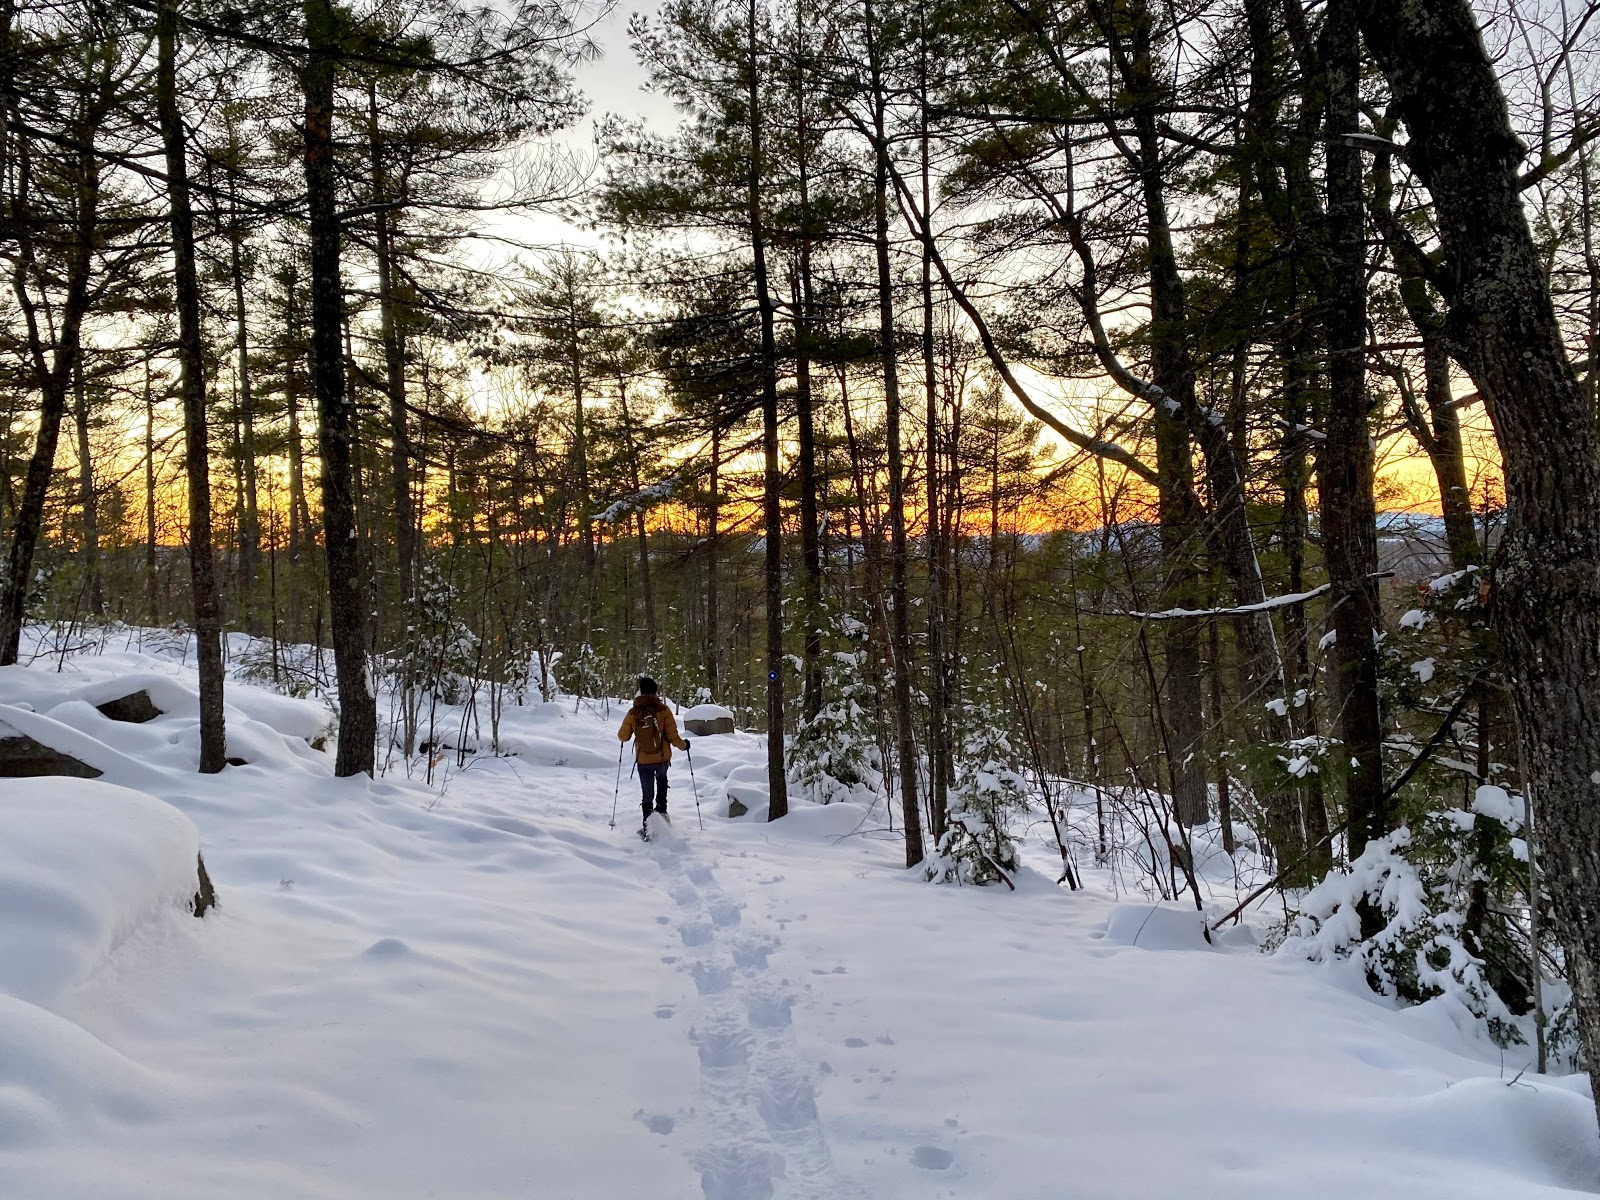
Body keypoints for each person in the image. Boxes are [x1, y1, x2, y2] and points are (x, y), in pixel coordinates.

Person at [617, 676, 689, 836]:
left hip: (643, 759)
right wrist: (684, 746)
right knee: (662, 781)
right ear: (655, 691)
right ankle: (662, 814)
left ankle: (647, 827)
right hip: (662, 757)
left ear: (640, 692)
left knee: (647, 792)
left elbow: (623, 737)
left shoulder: (633, 712)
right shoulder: (663, 710)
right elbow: (672, 736)